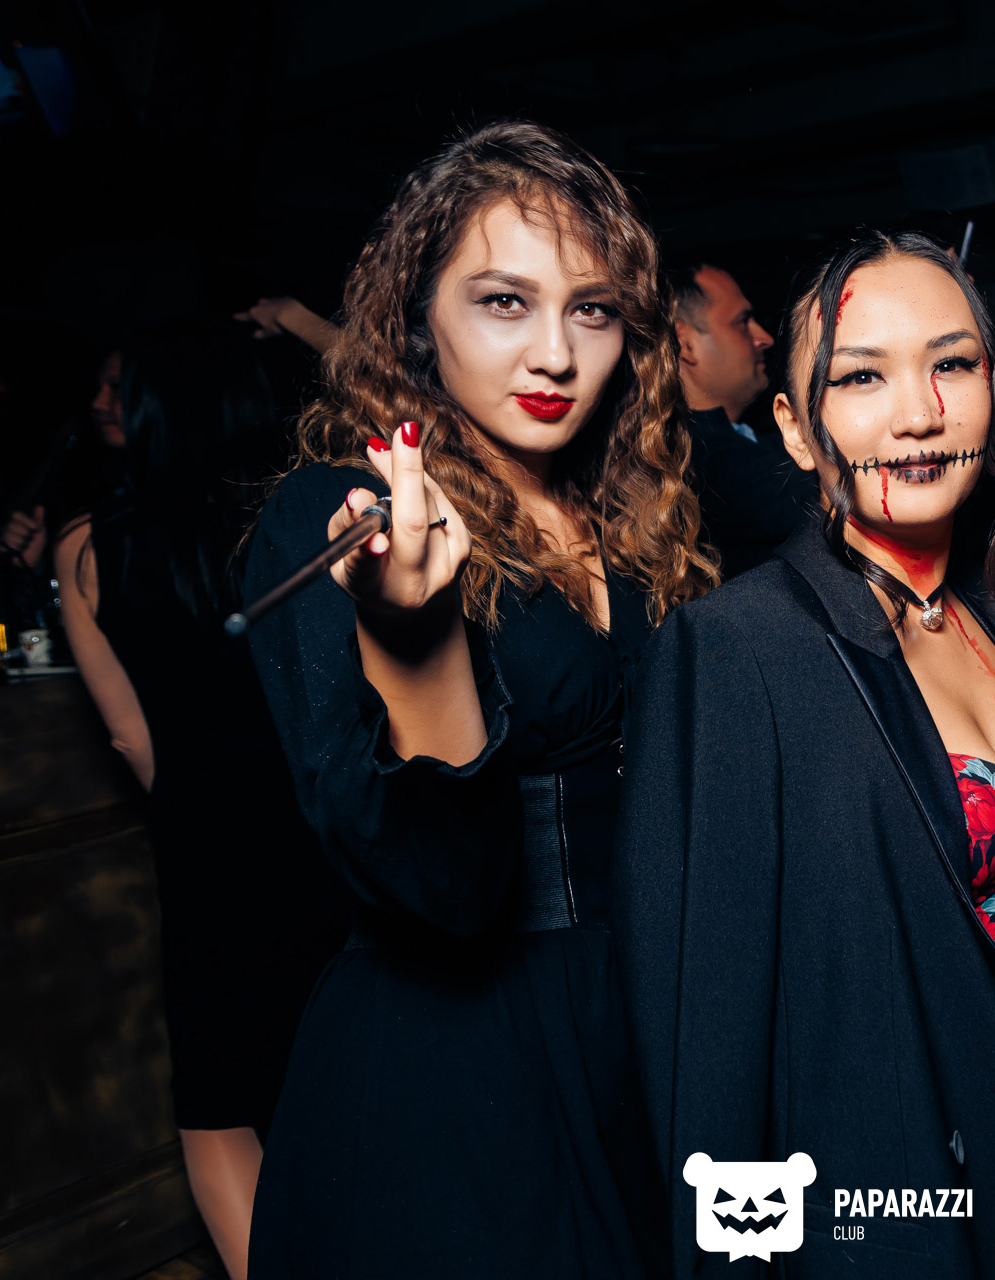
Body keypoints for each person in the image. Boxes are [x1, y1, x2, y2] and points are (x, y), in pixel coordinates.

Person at [616, 230, 995, 1280]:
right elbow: (708, 1061)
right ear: (794, 429)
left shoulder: (992, 615)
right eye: (862, 376)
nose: (918, 413)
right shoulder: (738, 649)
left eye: (952, 363)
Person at [242, 119, 714, 1279]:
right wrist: (415, 639)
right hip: (458, 1076)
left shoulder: (636, 519)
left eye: (593, 310)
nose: (555, 353)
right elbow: (437, 891)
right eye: (505, 301)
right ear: (419, 320)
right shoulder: (336, 519)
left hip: (648, 1034)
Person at [51, 328, 347, 1279]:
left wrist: (197, 807)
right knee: (349, 1072)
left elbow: (132, 739)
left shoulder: (90, 546)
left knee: (220, 1110)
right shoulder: (301, 521)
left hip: (205, 843)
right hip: (324, 829)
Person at [666, 261, 815, 576]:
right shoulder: (696, 464)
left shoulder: (751, 439)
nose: (765, 338)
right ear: (684, 343)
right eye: (742, 322)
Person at [0, 348, 131, 573]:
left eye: (116, 387)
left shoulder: (182, 495)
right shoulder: (80, 468)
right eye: (97, 388)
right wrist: (32, 568)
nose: (97, 403)